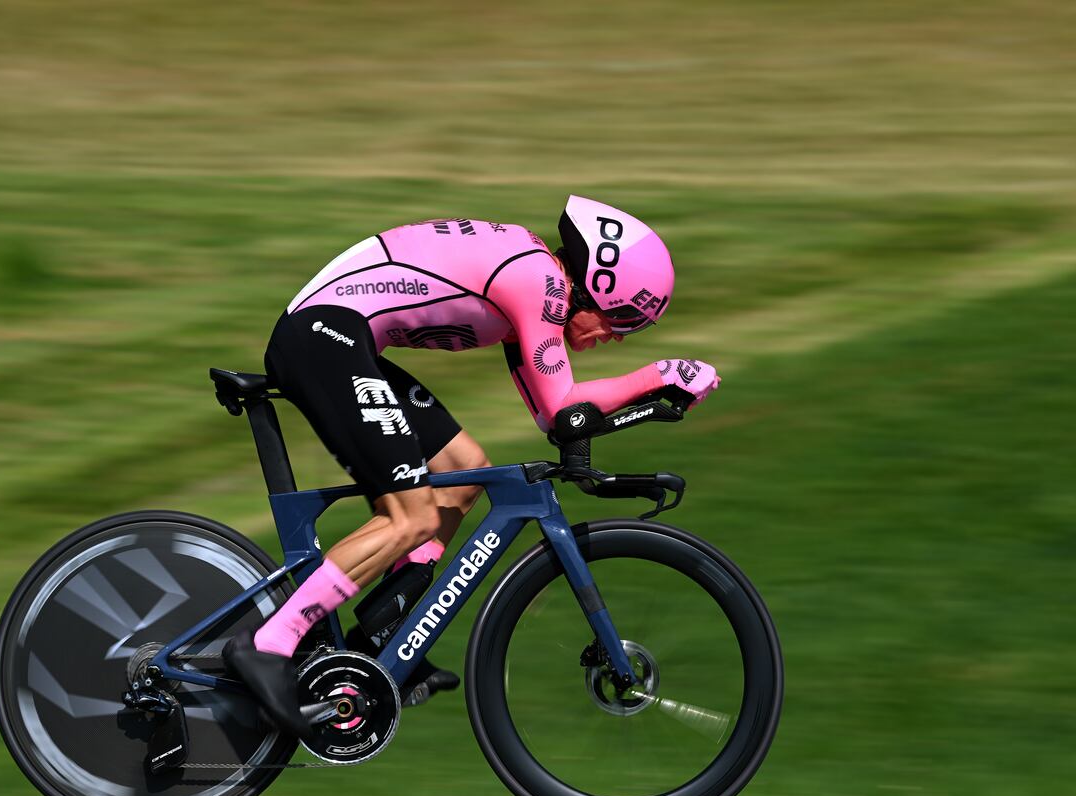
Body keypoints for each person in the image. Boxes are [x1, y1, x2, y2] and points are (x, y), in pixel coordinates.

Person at [223, 195, 721, 737]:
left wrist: (641, 400)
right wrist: (659, 374)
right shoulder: (539, 284)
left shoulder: (533, 289)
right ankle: (269, 642)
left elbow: (555, 419)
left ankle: (379, 640)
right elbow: (562, 408)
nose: (618, 336)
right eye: (622, 318)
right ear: (596, 283)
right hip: (325, 337)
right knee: (409, 517)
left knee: (464, 472)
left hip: (341, 339)